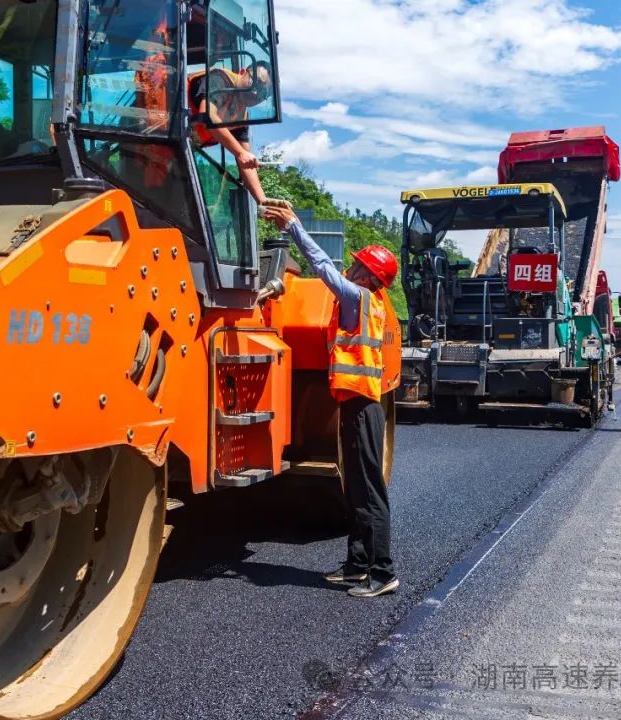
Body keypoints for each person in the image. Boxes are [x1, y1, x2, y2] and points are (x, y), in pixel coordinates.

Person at [262, 204, 400, 598]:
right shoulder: (361, 302)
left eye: (358, 266)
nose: (351, 269)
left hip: (363, 408)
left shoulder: (358, 297)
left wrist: (294, 228)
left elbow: (322, 267)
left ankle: (383, 571)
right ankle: (357, 565)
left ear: (369, 276)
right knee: (355, 487)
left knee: (370, 489)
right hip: (353, 405)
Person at [189, 64, 274, 205]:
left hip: (180, 147)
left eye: (262, 93)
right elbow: (207, 116)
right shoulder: (220, 80)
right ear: (242, 72)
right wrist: (241, 153)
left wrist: (263, 201)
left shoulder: (242, 116)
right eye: (256, 82)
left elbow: (246, 163)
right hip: (157, 130)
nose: (255, 93)